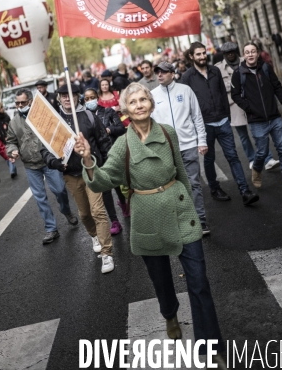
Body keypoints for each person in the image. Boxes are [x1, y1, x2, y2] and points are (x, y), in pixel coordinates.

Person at [74, 83, 227, 368]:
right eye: (133, 102)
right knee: (161, 280)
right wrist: (87, 159)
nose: (140, 104)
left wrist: (193, 210)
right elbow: (104, 179)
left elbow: (181, 172)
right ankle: (169, 314)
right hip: (146, 216)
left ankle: (211, 346)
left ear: (152, 104)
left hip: (179, 209)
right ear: (125, 110)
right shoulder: (123, 144)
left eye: (144, 99)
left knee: (199, 281)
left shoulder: (168, 133)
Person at [41, 83, 114, 274]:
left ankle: (107, 254)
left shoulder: (89, 116)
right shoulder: (54, 121)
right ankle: (94, 235)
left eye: (70, 95)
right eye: (63, 95)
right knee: (84, 214)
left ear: (77, 96)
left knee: (98, 211)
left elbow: (104, 142)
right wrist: (54, 163)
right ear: (59, 98)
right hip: (71, 174)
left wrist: (108, 167)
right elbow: (44, 149)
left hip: (91, 170)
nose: (67, 98)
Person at [181, 42, 259, 206]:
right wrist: (195, 128)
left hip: (223, 121)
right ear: (191, 56)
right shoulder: (187, 77)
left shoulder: (215, 71)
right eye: (198, 54)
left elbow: (224, 95)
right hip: (204, 125)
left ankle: (244, 191)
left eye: (204, 53)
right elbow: (186, 105)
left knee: (233, 157)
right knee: (209, 159)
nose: (202, 57)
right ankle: (215, 189)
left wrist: (227, 117)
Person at [7, 88, 78, 244]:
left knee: (60, 190)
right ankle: (51, 229)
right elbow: (10, 141)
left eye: (23, 102)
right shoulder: (13, 122)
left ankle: (66, 210)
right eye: (17, 103)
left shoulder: (43, 115)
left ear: (31, 102)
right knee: (40, 198)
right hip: (30, 165)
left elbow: (57, 131)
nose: (19, 105)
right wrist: (12, 151)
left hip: (49, 161)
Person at [231, 42, 282, 193]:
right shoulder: (239, 73)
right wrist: (249, 107)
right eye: (247, 52)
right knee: (262, 152)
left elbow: (277, 87)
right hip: (256, 121)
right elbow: (235, 95)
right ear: (244, 55)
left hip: (274, 117)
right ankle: (257, 168)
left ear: (257, 53)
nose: (250, 54)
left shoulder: (265, 68)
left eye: (253, 51)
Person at [150, 61, 210, 235]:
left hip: (189, 144)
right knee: (172, 187)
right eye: (157, 72)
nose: (159, 75)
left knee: (193, 184)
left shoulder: (185, 90)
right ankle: (182, 221)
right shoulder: (152, 96)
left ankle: (201, 220)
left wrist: (202, 140)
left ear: (172, 73)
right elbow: (151, 125)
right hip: (166, 150)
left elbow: (197, 117)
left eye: (163, 71)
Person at [214, 42, 279, 172]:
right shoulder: (218, 68)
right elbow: (219, 90)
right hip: (234, 107)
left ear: (237, 51)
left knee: (260, 133)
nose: (231, 54)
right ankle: (252, 159)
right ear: (224, 54)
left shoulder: (247, 60)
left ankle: (268, 159)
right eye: (227, 53)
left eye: (233, 51)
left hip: (254, 103)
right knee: (243, 136)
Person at [84, 87, 128, 234]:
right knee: (105, 189)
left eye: (92, 97)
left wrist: (109, 129)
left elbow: (121, 128)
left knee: (118, 184)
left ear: (97, 97)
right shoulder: (85, 117)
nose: (90, 101)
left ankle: (123, 204)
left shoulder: (108, 111)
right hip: (98, 157)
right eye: (87, 99)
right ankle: (114, 221)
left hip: (112, 151)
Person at [0, 101, 17, 178]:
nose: (3, 108)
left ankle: (12, 170)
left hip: (9, 139)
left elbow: (11, 126)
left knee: (10, 153)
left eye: (2, 107)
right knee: (6, 154)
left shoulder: (6, 116)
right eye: (1, 107)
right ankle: (13, 169)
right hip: (0, 141)